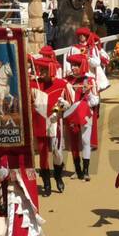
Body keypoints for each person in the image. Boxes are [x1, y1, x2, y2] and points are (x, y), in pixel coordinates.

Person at [31, 57, 74, 196]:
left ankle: (57, 176)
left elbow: (70, 101)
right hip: (39, 122)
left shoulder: (62, 84)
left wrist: (63, 106)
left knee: (57, 153)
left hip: (55, 122)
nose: (41, 72)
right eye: (40, 70)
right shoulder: (33, 84)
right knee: (43, 154)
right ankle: (46, 183)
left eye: (44, 70)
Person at [63, 54, 99, 181]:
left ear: (82, 66)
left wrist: (88, 93)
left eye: (76, 65)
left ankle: (86, 171)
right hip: (71, 115)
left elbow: (95, 101)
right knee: (73, 142)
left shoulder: (89, 80)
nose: (73, 68)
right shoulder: (67, 80)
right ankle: (77, 170)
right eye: (72, 65)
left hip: (85, 114)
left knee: (85, 141)